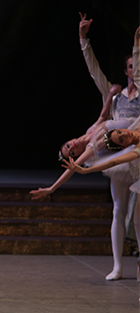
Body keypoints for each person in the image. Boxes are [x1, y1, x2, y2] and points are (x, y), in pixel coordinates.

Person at [30, 22, 140, 280]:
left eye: (137, 65)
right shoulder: (114, 98)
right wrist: (83, 40)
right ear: (125, 71)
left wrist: (137, 48)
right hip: (116, 153)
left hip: (136, 148)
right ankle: (117, 265)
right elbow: (95, 72)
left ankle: (138, 262)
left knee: (137, 214)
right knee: (118, 209)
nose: (135, 70)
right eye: (132, 66)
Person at [64, 128, 140, 281]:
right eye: (121, 139)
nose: (124, 134)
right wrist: (86, 171)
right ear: (125, 146)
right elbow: (114, 161)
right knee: (137, 218)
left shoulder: (135, 126)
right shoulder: (136, 149)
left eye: (120, 132)